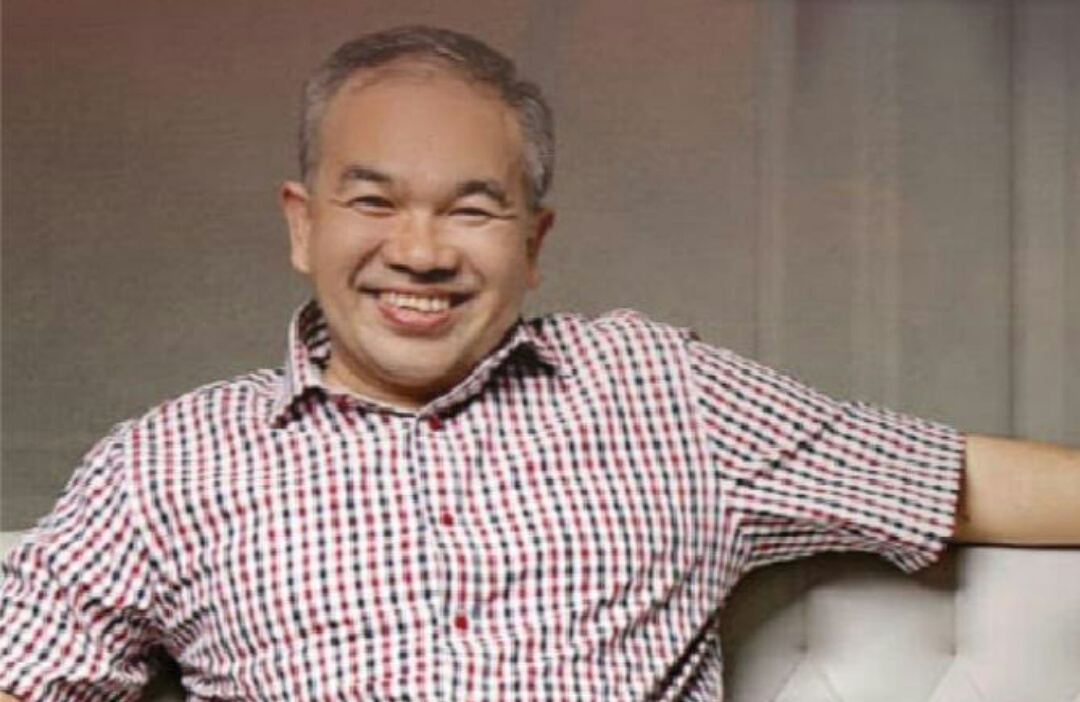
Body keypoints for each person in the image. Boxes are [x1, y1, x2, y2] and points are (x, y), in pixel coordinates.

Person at [1, 24, 1077, 702]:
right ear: (303, 223)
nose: (420, 252)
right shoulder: (165, 461)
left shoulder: (666, 393)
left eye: (472, 210)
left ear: (533, 241)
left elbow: (960, 481)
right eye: (374, 201)